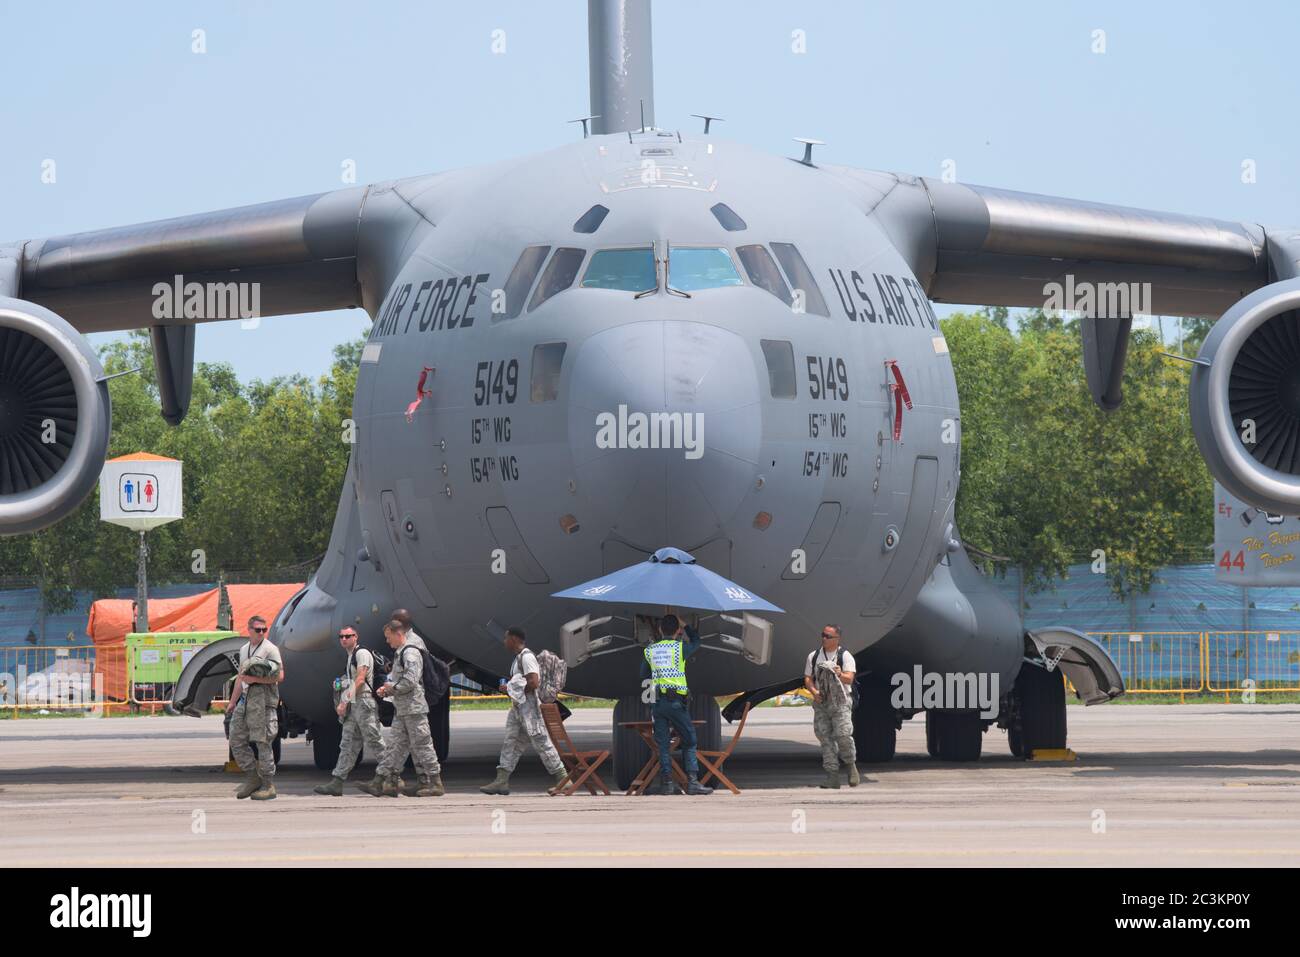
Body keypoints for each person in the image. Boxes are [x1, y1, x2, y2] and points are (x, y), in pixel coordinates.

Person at [358, 620, 444, 797]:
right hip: (402, 708)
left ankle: (435, 783)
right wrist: (390, 688)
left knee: (423, 745)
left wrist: (391, 688)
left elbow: (411, 680)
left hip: (414, 708)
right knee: (395, 746)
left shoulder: (410, 652)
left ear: (399, 634)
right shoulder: (400, 652)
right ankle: (380, 781)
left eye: (389, 638)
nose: (387, 642)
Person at [479, 628, 568, 796]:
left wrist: (517, 690)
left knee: (541, 741)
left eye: (506, 638)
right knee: (510, 741)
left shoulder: (527, 657)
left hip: (529, 708)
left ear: (514, 639)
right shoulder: (518, 659)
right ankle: (501, 780)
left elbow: (534, 682)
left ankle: (562, 778)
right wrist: (510, 689)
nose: (504, 642)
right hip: (518, 707)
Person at [642, 614, 713, 796]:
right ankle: (692, 783)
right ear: (677, 631)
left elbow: (643, 674)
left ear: (659, 630)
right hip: (676, 703)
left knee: (663, 745)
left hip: (658, 704)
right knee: (689, 741)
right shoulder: (680, 648)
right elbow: (697, 641)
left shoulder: (650, 650)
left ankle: (667, 784)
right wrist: (686, 625)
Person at [314, 626, 386, 796]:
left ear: (356, 637)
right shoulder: (350, 656)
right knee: (347, 744)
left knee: (375, 740)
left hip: (364, 703)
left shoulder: (362, 654)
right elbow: (354, 679)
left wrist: (344, 702)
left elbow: (361, 679)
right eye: (342, 636)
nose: (344, 639)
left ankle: (393, 776)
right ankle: (337, 781)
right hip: (355, 705)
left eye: (348, 636)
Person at [226, 615, 284, 800]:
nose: (261, 633)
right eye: (258, 629)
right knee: (236, 739)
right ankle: (252, 777)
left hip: (263, 701)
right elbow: (241, 677)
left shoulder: (270, 649)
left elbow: (280, 676)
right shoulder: (244, 649)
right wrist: (233, 702)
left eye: (264, 630)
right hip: (246, 699)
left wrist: (256, 679)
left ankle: (268, 784)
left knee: (263, 741)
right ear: (249, 630)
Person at [803, 624, 859, 789]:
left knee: (843, 735)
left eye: (828, 636)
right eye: (823, 635)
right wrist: (813, 691)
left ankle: (850, 766)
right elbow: (808, 678)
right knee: (825, 738)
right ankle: (832, 776)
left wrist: (840, 673)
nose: (824, 639)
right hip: (822, 702)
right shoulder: (814, 656)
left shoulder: (845, 656)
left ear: (837, 639)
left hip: (840, 702)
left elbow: (850, 679)